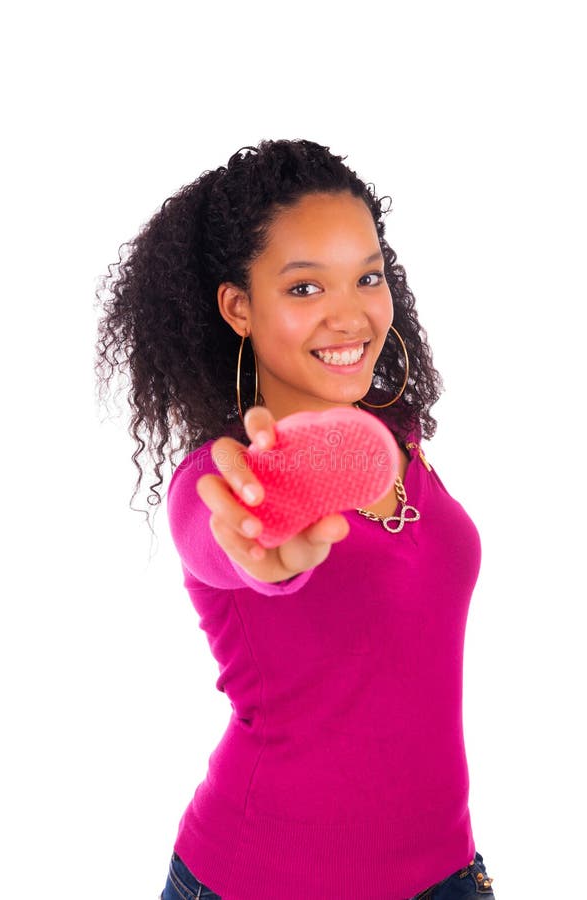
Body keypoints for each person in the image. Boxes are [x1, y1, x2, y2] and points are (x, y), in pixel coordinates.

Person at [95, 138, 496, 899]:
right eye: (306, 289)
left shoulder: (397, 433)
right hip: (262, 879)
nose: (351, 316)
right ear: (238, 307)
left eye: (366, 277)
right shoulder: (221, 475)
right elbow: (216, 534)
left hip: (448, 875)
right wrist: (257, 550)